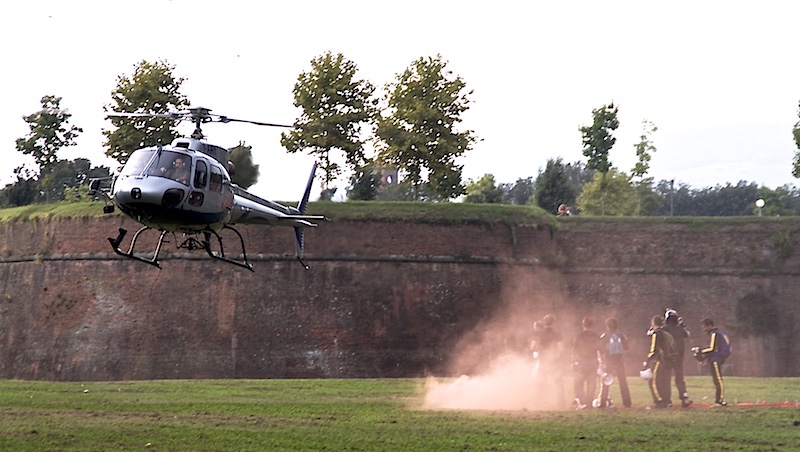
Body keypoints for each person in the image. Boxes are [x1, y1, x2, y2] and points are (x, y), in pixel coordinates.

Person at [696, 318, 731, 407]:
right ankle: (719, 400)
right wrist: (706, 359)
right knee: (717, 380)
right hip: (715, 359)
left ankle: (719, 400)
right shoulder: (716, 333)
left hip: (716, 360)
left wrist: (700, 351)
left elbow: (712, 348)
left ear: (709, 326)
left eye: (704, 327)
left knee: (718, 380)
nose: (703, 329)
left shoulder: (714, 334)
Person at [643, 315, 676, 408]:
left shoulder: (656, 334)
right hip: (669, 360)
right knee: (666, 381)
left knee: (653, 381)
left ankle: (659, 401)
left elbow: (654, 350)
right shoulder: (667, 334)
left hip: (660, 360)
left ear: (653, 324)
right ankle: (667, 401)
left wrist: (647, 361)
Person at [662, 308, 693, 408]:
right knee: (680, 379)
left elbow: (652, 333)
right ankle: (684, 398)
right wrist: (682, 324)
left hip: (667, 357)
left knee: (666, 379)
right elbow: (687, 334)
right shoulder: (680, 329)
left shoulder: (664, 329)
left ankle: (667, 400)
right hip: (679, 357)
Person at [598, 317, 632, 408]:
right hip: (620, 360)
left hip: (609, 361)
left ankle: (602, 403)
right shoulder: (621, 335)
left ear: (607, 326)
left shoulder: (605, 335)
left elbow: (600, 348)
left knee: (606, 381)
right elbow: (627, 347)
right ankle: (627, 402)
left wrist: (603, 360)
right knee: (623, 381)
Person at [536, 314, 565, 408]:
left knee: (542, 382)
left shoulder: (540, 333)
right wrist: (558, 355)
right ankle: (561, 403)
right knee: (558, 382)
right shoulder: (557, 333)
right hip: (554, 361)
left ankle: (542, 402)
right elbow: (561, 348)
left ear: (544, 322)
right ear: (553, 322)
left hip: (543, 361)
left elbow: (535, 346)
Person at [572, 316, 601, 410]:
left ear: (583, 324)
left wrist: (572, 362)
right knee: (592, 383)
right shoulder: (596, 336)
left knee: (578, 383)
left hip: (582, 361)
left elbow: (574, 351)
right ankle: (589, 403)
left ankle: (582, 402)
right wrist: (602, 362)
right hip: (593, 361)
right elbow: (601, 350)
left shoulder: (579, 335)